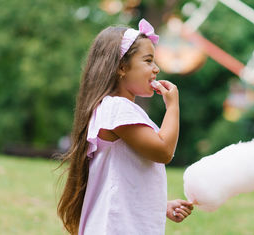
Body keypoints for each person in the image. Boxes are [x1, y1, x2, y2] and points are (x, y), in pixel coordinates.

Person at [57, 19, 193, 235]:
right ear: (121, 67)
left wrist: (160, 206)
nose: (156, 68)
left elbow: (123, 178)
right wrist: (173, 107)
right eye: (148, 61)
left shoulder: (113, 109)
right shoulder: (117, 109)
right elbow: (164, 151)